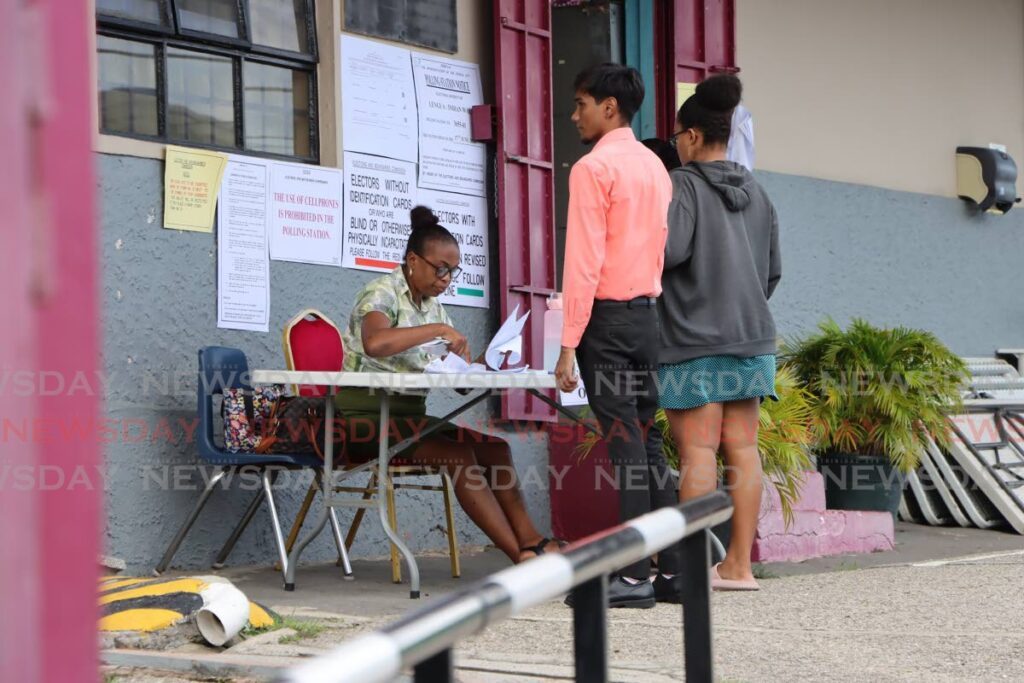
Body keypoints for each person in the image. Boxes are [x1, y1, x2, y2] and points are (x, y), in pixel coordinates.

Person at [336, 206, 561, 563]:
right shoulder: (381, 293)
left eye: (452, 272)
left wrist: (483, 367)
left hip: (409, 417)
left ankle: (532, 540)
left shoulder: (432, 307)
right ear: (413, 260)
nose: (446, 279)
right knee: (458, 456)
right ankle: (519, 557)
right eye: (440, 269)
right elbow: (375, 342)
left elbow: (452, 380)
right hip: (362, 418)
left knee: (494, 449)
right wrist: (440, 331)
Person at [555, 63, 679, 608]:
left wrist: (567, 342)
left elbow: (583, 262)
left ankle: (631, 577)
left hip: (605, 323)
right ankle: (675, 573)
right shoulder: (655, 167)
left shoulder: (593, 167)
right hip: (647, 319)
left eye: (582, 102)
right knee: (648, 443)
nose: (575, 113)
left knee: (626, 445)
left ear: (610, 107)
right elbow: (659, 249)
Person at [662, 74, 781, 591]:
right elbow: (772, 272)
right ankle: (738, 566)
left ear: (690, 136)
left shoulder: (683, 185)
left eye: (675, 138)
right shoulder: (760, 193)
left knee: (698, 453)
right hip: (752, 340)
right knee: (744, 451)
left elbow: (669, 254)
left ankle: (691, 570)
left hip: (694, 340)